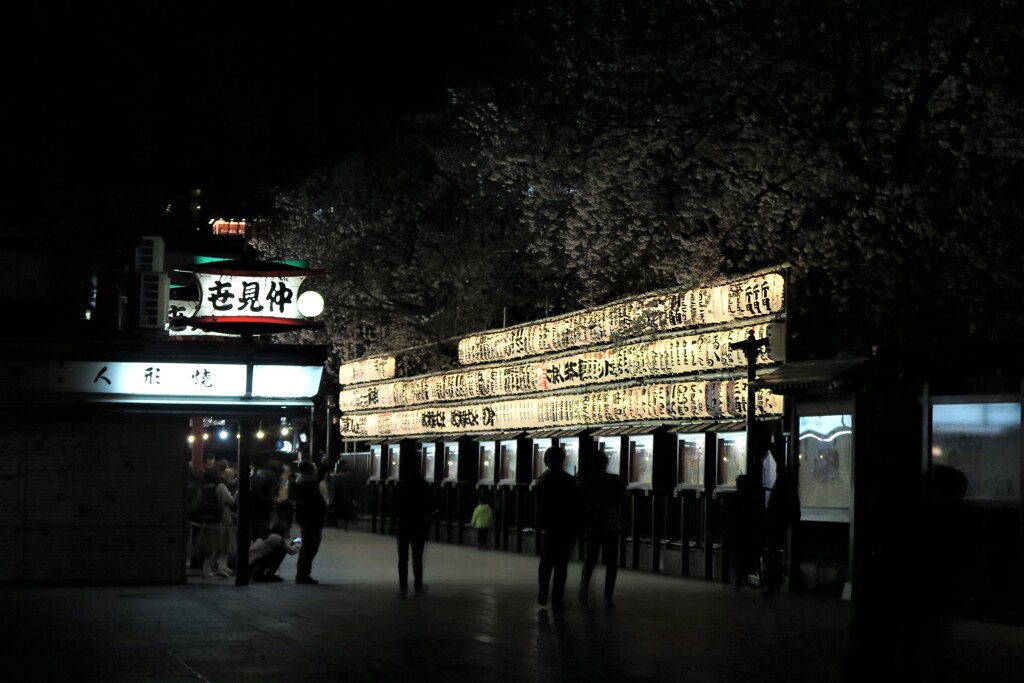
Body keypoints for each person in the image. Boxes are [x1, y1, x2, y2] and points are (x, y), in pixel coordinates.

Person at [535, 445, 582, 610]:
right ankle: (557, 598)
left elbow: (540, 508)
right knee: (561, 565)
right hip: (566, 528)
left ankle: (543, 592)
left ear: (546, 460)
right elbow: (578, 507)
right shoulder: (570, 481)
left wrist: (540, 527)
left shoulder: (543, 480)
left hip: (550, 529)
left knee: (546, 563)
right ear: (563, 460)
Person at [578, 449, 626, 608]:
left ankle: (584, 589)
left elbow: (583, 504)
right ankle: (608, 596)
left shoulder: (586, 482)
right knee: (612, 562)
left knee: (590, 559)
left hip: (594, 524)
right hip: (612, 524)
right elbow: (621, 499)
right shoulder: (614, 480)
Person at [393, 459, 434, 596]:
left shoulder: (401, 485)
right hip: (418, 525)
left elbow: (394, 506)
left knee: (402, 559)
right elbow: (430, 505)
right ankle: (418, 586)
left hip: (403, 525)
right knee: (418, 558)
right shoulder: (423, 485)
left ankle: (403, 587)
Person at [196, 461, 237, 578]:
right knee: (223, 544)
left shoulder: (204, 487)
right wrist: (237, 494)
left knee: (209, 546)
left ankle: (206, 569)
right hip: (221, 517)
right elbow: (231, 501)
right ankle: (222, 567)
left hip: (208, 518)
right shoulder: (220, 486)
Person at [293, 459, 328, 584]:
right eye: (313, 468)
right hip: (312, 519)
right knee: (310, 547)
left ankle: (302, 573)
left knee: (307, 547)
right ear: (310, 470)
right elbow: (317, 480)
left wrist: (323, 466)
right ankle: (302, 574)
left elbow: (318, 477)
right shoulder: (309, 485)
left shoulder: (302, 482)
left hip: (305, 519)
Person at [249, 459, 284, 542]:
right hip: (260, 512)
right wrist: (273, 501)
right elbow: (257, 495)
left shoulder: (261, 476)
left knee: (257, 535)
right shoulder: (264, 478)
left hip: (257, 511)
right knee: (260, 537)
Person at [330, 460, 356, 531]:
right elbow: (352, 487)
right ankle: (345, 527)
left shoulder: (336, 476)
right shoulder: (349, 476)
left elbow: (334, 488)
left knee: (339, 512)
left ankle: (339, 526)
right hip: (347, 496)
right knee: (346, 512)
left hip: (338, 496)